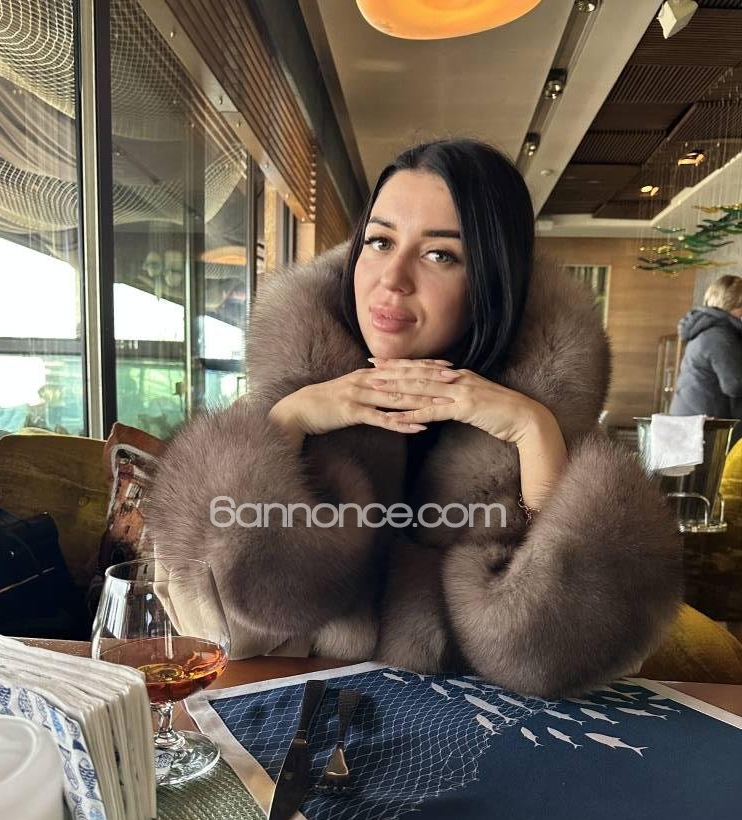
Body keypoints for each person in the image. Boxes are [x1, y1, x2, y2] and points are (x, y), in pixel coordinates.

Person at [147, 139, 681, 697]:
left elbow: (568, 654)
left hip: (474, 736)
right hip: (305, 726)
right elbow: (214, 633)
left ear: (492, 283)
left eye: (440, 255)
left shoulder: (550, 428)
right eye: (380, 242)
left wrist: (533, 429)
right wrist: (288, 420)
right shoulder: (271, 415)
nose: (393, 278)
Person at [670, 275, 742, 445]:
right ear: (736, 307)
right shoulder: (719, 335)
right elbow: (735, 384)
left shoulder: (710, 330)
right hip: (701, 430)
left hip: (692, 422)